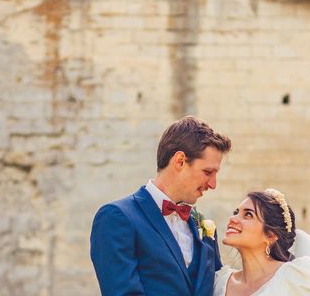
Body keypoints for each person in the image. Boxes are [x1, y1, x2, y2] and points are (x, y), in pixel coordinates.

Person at [90, 116, 232, 295]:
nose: (213, 184)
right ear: (179, 160)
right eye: (208, 172)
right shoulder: (117, 217)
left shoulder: (202, 226)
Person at [214, 189, 310, 296]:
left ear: (271, 235)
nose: (233, 219)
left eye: (248, 214)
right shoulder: (220, 282)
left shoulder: (299, 277)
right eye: (236, 212)